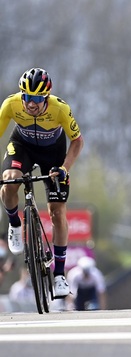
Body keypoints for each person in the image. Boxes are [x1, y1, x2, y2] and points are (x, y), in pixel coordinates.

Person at [0, 68, 84, 298]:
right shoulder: (11, 104)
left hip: (53, 155)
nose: (31, 104)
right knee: (8, 183)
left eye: (37, 99)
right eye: (27, 97)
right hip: (22, 148)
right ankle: (15, 224)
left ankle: (59, 276)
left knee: (57, 213)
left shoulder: (60, 109)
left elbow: (77, 141)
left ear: (46, 98)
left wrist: (64, 169)